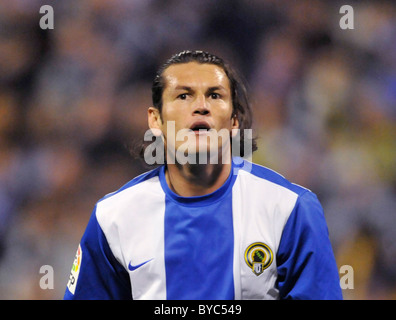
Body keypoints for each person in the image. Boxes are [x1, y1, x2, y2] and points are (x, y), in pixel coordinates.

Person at [64, 50, 343, 300]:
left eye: (215, 95)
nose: (201, 106)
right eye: (183, 96)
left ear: (234, 121)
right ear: (155, 120)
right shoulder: (113, 218)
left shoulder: (291, 209)